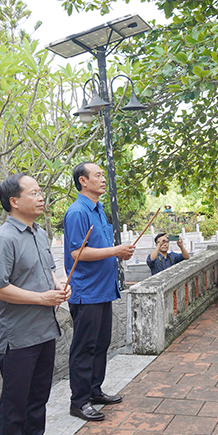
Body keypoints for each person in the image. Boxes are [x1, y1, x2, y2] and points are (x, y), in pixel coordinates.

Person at [0, 173, 70, 435]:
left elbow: (48, 270)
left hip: (45, 330)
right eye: (33, 193)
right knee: (15, 407)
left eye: (40, 192)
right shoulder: (3, 239)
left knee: (38, 401)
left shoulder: (39, 232)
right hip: (19, 337)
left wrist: (58, 286)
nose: (41, 197)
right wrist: (41, 298)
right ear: (14, 201)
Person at [63, 163, 134, 421]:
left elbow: (100, 248)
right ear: (83, 181)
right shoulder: (77, 212)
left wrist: (118, 251)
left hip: (103, 289)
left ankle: (94, 390)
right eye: (98, 175)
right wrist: (116, 251)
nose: (104, 179)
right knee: (84, 347)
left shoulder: (98, 209)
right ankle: (78, 401)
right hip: (86, 291)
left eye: (103, 175)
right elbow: (77, 252)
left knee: (101, 344)